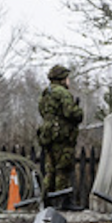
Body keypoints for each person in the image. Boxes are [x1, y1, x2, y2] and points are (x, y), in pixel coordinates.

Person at [36, 65, 84, 204]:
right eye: (67, 78)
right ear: (62, 79)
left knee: (50, 169)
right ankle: (61, 200)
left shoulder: (45, 93)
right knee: (63, 168)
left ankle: (46, 200)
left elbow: (42, 112)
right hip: (61, 135)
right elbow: (70, 112)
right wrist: (79, 112)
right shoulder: (62, 93)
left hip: (47, 134)